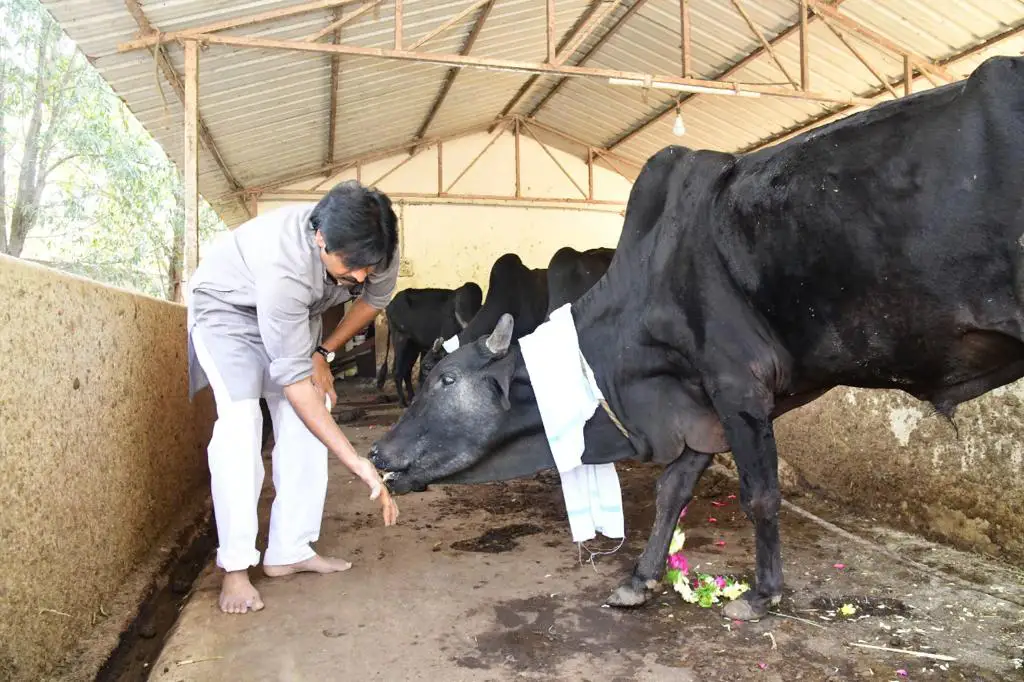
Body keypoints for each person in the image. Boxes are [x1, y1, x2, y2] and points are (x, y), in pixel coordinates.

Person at [185, 180, 400, 615]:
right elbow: (294, 385)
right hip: (230, 314)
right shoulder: (284, 265)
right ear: (320, 238)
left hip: (295, 318)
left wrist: (324, 351)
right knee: (242, 424)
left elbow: (373, 299)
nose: (360, 276)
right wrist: (355, 461)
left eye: (368, 268)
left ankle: (290, 550)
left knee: (312, 413)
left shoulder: (377, 243)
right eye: (351, 267)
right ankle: (236, 567)